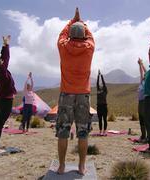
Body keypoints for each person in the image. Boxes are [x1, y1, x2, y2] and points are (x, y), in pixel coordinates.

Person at [56, 7, 95, 175]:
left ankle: (62, 166)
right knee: (83, 132)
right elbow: (91, 35)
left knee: (63, 132)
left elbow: (61, 35)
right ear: (84, 35)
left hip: (66, 94)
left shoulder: (63, 46)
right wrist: (82, 21)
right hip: (83, 96)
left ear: (70, 35)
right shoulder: (89, 47)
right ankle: (81, 166)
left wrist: (72, 20)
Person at [137, 58, 147, 143]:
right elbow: (141, 73)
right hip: (140, 102)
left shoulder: (147, 82)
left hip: (145, 102)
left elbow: (146, 72)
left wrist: (142, 64)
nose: (143, 77)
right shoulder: (141, 82)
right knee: (141, 119)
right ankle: (143, 135)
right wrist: (139, 65)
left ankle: (146, 137)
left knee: (144, 119)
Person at [96, 69, 108, 136]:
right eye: (100, 86)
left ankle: (104, 131)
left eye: (102, 86)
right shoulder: (98, 90)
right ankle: (100, 131)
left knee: (105, 119)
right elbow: (97, 83)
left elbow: (104, 83)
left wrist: (102, 76)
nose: (101, 86)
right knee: (100, 119)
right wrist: (98, 75)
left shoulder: (105, 91)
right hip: (99, 106)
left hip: (104, 106)